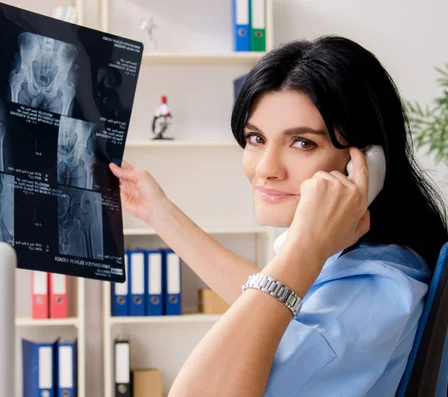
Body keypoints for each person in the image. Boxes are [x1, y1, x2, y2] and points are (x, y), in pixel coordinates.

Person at [108, 35, 448, 396]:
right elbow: (278, 309)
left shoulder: (367, 298)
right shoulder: (373, 262)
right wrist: (158, 213)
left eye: (303, 143)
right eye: (256, 138)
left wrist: (305, 249)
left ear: (365, 165)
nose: (266, 168)